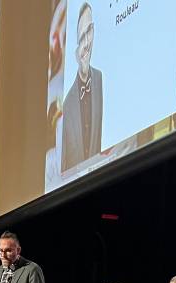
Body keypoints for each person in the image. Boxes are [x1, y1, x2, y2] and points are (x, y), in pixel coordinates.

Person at [60, 1, 103, 171]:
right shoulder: (66, 104)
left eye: (89, 31)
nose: (86, 43)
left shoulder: (100, 80)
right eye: (81, 37)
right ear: (75, 50)